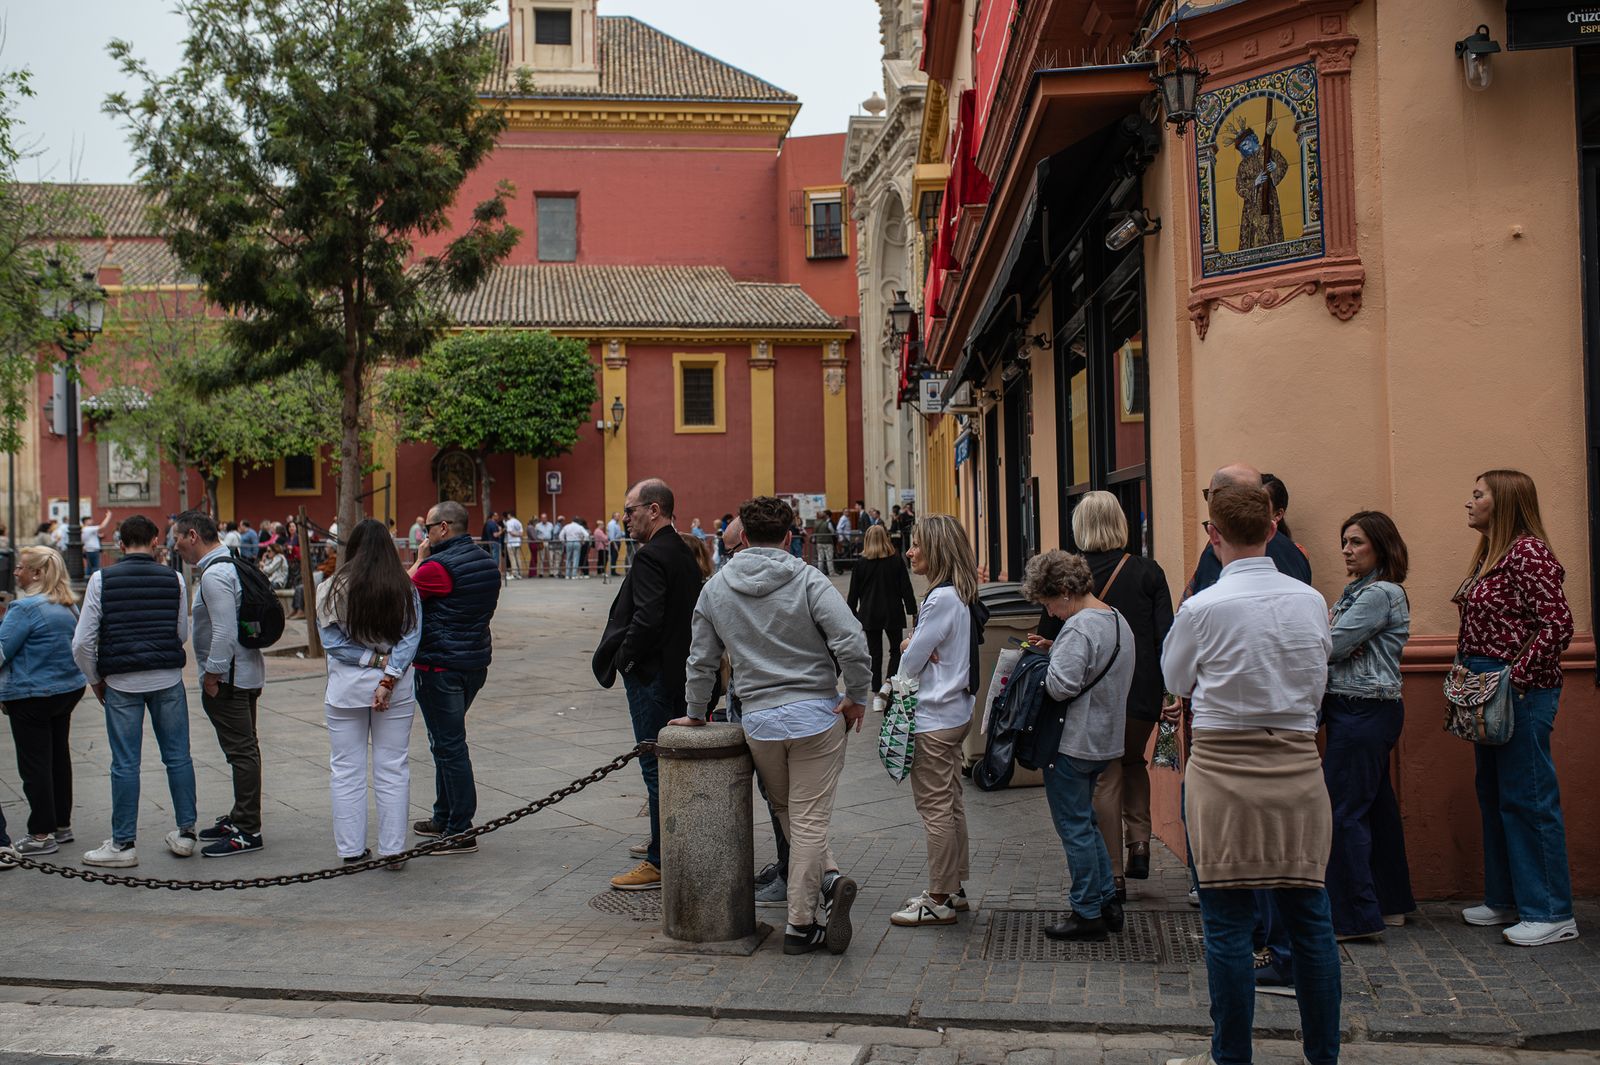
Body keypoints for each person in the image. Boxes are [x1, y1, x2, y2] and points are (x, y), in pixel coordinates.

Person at [1160, 483, 1339, 1065]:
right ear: (1271, 529)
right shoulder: (1310, 600)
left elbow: (1176, 679)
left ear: (1214, 535)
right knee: (1309, 917)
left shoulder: (1202, 608)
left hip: (1221, 766)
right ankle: (1323, 1056)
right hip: (1295, 763)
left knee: (1227, 924)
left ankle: (1231, 1057)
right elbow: (1318, 681)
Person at [674, 494, 870, 956]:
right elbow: (852, 642)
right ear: (789, 537)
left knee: (787, 811)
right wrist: (856, 697)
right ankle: (801, 926)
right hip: (815, 715)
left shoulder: (716, 589)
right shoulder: (808, 579)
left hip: (759, 718)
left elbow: (701, 659)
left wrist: (697, 711)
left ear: (742, 537)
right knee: (808, 818)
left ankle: (830, 881)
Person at [1455, 469, 1577, 947]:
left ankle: (1551, 911)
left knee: (1528, 797)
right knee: (1495, 793)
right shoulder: (1493, 552)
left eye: (1478, 494)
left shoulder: (1529, 553)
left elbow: (1557, 625)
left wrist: (1515, 681)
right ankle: (1507, 898)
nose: (1469, 502)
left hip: (1517, 691)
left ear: (1502, 502)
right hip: (1486, 688)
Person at [1034, 492, 1174, 901]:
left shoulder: (1072, 575)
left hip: (1095, 695)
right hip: (1143, 690)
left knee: (1105, 778)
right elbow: (1165, 635)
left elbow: (1053, 630)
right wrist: (1168, 692)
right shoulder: (1148, 571)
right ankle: (1141, 841)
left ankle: (1112, 873)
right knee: (1133, 762)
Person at [590, 480, 701, 889]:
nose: (624, 517)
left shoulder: (652, 556)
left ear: (654, 510)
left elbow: (648, 618)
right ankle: (668, 840)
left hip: (651, 677)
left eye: (630, 510)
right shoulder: (682, 552)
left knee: (655, 767)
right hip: (675, 674)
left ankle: (659, 860)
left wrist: (626, 660)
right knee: (669, 766)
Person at [70, 516, 198, 867]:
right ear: (156, 540)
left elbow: (82, 643)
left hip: (121, 682)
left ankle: (123, 843)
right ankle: (186, 832)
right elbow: (181, 632)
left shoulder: (101, 580)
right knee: (178, 757)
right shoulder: (174, 578)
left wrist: (96, 678)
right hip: (167, 679)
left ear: (120, 544)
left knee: (125, 762)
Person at [1020, 550, 1134, 941]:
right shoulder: (1117, 621)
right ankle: (1106, 901)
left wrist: (1043, 663)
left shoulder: (1079, 627)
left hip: (1073, 742)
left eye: (1049, 601)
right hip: (1106, 740)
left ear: (1066, 591)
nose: (1050, 611)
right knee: (1086, 822)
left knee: (1074, 828)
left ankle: (1087, 911)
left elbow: (1060, 685)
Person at [1323, 511, 1415, 942]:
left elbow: (1334, 645)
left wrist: (1318, 631)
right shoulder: (1358, 591)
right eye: (1345, 541)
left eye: (1356, 542)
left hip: (1362, 710)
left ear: (1381, 546)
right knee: (1375, 807)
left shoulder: (1380, 593)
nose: (1346, 549)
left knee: (1342, 812)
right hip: (1362, 709)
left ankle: (1353, 917)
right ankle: (1391, 902)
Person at [892, 514, 983, 928]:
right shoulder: (960, 593)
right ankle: (954, 887)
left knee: (935, 809)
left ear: (938, 551)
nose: (909, 552)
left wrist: (909, 642)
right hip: (955, 713)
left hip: (933, 717)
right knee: (950, 803)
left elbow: (910, 662)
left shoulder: (940, 598)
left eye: (917, 545)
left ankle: (940, 896)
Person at [318, 518, 423, 867]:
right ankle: (393, 850)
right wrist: (388, 674)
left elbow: (332, 642)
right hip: (396, 690)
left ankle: (350, 850)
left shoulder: (332, 587)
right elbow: (411, 639)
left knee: (346, 769)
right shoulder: (405, 587)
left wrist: (370, 659)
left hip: (345, 689)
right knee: (392, 767)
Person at [407, 500, 502, 854]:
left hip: (439, 667)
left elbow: (398, 593)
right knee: (445, 742)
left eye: (428, 528)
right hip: (473, 663)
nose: (425, 534)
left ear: (443, 528)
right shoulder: (486, 562)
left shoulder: (436, 567)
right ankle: (443, 815)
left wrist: (418, 559)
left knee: (449, 747)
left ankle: (460, 828)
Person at [174, 510, 268, 858]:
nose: (176, 545)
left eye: (177, 538)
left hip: (229, 679)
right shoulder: (232, 564)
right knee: (245, 749)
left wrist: (212, 675)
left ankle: (247, 830)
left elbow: (225, 631)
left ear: (193, 535)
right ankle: (241, 816)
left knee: (242, 752)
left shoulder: (215, 575)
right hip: (245, 673)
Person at [0, 546, 87, 856]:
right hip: (66, 690)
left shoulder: (24, 609)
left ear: (37, 573)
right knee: (57, 758)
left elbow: (1, 651)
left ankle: (40, 833)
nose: (15, 572)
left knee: (34, 764)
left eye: (21, 567)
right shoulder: (66, 604)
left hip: (31, 693)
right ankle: (61, 825)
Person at [846, 524, 917, 692]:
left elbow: (853, 593)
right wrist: (912, 610)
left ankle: (876, 690)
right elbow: (905, 588)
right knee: (896, 650)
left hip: (869, 613)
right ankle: (889, 683)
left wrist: (852, 615)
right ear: (886, 538)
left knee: (874, 653)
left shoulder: (861, 564)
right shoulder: (896, 560)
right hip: (892, 611)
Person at [80, 510, 112, 576]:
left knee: (90, 567)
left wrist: (100, 536)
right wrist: (108, 516)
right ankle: (95, 580)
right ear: (85, 522)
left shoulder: (86, 529)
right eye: (90, 520)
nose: (92, 521)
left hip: (90, 550)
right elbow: (102, 526)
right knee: (95, 567)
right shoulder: (88, 529)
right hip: (92, 550)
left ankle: (88, 579)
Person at [560, 514, 587, 580]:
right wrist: (583, 541)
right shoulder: (579, 527)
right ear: (578, 521)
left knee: (568, 559)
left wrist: (564, 542)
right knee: (576, 559)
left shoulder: (567, 526)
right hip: (577, 542)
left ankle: (567, 575)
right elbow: (586, 534)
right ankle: (573, 575)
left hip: (569, 542)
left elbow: (561, 535)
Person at [813, 510, 836, 576]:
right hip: (828, 542)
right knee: (829, 558)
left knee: (820, 558)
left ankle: (820, 572)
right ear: (824, 517)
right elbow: (832, 532)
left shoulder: (815, 523)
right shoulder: (827, 523)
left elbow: (814, 532)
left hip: (819, 542)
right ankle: (831, 572)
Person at [481, 512, 504, 578]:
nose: (498, 517)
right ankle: (495, 573)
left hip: (489, 543)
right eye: (496, 515)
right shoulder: (492, 524)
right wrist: (501, 531)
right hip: (494, 543)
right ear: (493, 516)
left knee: (492, 558)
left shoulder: (488, 523)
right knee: (495, 558)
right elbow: (495, 534)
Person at [503, 512, 525, 580]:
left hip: (511, 543)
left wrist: (516, 535)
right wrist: (519, 535)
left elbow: (510, 532)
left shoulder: (509, 522)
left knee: (512, 559)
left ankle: (515, 574)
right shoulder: (518, 522)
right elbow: (521, 533)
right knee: (518, 558)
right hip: (518, 542)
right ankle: (520, 573)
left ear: (509, 515)